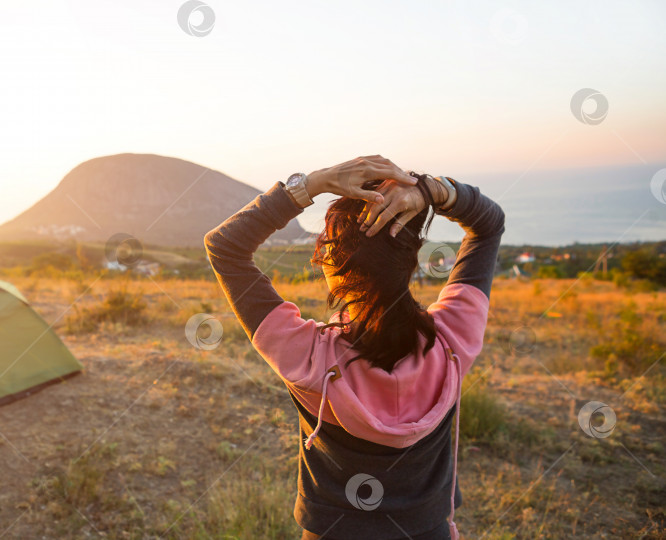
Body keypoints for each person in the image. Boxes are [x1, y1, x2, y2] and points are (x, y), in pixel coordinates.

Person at [204, 155, 505, 539]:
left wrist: (312, 184)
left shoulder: (308, 356)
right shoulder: (453, 340)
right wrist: (430, 191)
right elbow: (488, 225)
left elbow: (224, 246)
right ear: (411, 256)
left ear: (332, 262)